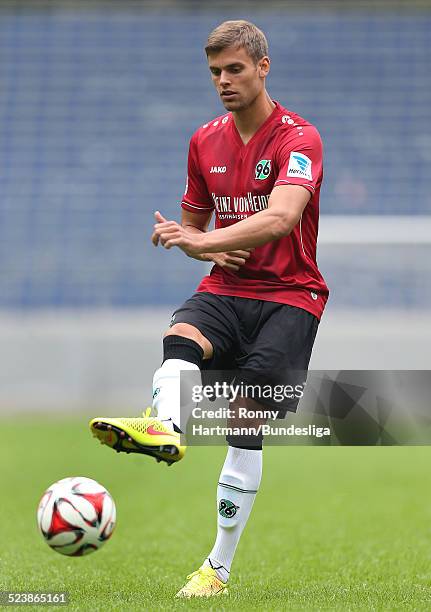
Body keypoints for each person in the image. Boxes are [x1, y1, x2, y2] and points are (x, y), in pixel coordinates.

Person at [90, 19, 329, 598]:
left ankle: (216, 569)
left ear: (262, 67)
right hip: (227, 287)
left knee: (245, 425)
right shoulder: (204, 139)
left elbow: (281, 218)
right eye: (215, 72)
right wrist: (187, 235)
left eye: (235, 69)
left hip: (291, 296)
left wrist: (203, 242)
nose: (223, 80)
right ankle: (165, 427)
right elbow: (195, 224)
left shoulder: (299, 138)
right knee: (180, 339)